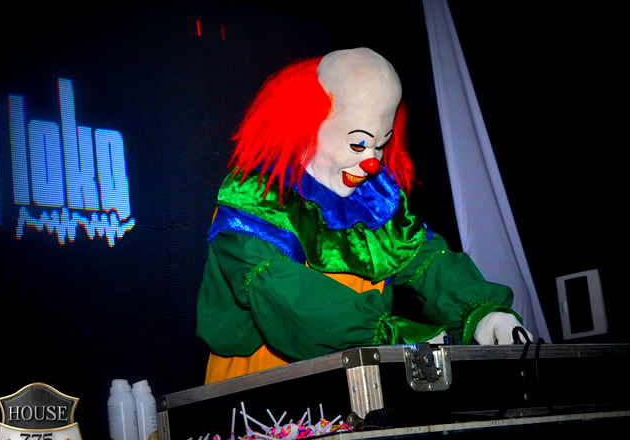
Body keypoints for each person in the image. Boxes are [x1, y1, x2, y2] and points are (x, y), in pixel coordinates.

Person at [197, 48, 530, 384]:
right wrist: (390, 336)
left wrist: (483, 314)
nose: (372, 162)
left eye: (380, 145)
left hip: (358, 386)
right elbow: (284, 295)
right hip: (265, 391)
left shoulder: (375, 200)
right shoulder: (256, 199)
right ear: (309, 125)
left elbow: (428, 261)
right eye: (358, 144)